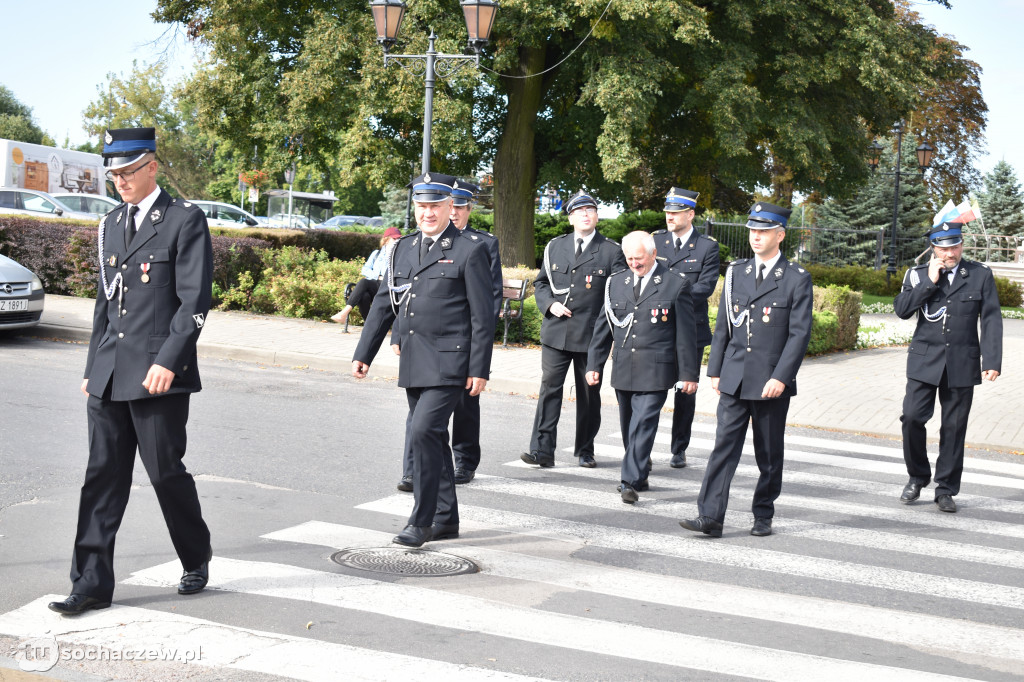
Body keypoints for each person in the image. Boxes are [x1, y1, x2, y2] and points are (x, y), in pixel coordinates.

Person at [49, 128, 214, 615]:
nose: (120, 179)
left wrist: (169, 360)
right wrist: (91, 367)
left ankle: (195, 555)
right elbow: (106, 303)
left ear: (152, 167)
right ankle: (90, 585)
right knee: (102, 477)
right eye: (114, 173)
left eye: (128, 170)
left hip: (157, 374)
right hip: (109, 373)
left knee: (164, 473)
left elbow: (194, 302)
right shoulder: (110, 225)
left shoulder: (185, 220)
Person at [352, 172, 495, 547]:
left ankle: (423, 520)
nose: (428, 212)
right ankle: (447, 518)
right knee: (431, 437)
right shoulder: (401, 248)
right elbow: (386, 300)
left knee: (423, 431)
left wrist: (480, 368)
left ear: (451, 207)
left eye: (435, 205)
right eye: (422, 205)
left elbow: (482, 315)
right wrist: (363, 352)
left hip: (452, 362)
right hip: (415, 360)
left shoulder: (470, 249)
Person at [679, 202, 812, 538]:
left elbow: (799, 335)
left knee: (768, 453)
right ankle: (710, 516)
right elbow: (724, 324)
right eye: (752, 230)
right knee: (723, 446)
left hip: (770, 381)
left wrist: (781, 377)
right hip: (735, 377)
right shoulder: (738, 272)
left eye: (764, 231)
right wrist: (715, 367)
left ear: (780, 235)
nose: (756, 236)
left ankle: (763, 512)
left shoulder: (796, 279)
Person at [397, 180, 502, 491]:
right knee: (422, 420)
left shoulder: (479, 244)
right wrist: (396, 335)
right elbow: (404, 295)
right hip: (425, 346)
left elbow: (488, 299)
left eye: (457, 207)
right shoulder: (415, 243)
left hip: (460, 343)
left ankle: (465, 460)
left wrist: (477, 357)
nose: (452, 212)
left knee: (465, 409)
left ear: (466, 209)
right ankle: (412, 470)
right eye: (449, 206)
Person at [894, 221, 1002, 513]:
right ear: (933, 248)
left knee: (954, 428)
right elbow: (903, 310)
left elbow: (991, 319)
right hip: (924, 361)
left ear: (961, 245)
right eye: (942, 247)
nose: (948, 253)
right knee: (912, 418)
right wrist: (930, 280)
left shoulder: (979, 274)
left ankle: (945, 489)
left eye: (953, 246)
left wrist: (991, 360)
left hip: (962, 363)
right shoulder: (917, 275)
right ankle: (917, 476)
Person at [586, 231, 699, 503]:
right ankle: (640, 472)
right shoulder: (616, 283)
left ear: (653, 254)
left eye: (639, 258)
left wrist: (688, 375)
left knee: (643, 424)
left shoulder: (675, 284)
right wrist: (594, 364)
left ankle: (628, 480)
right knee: (628, 427)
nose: (634, 264)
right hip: (624, 367)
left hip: (657, 370)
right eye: (629, 258)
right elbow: (604, 326)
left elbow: (686, 334)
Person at [522, 191, 627, 468]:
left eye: (590, 210)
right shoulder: (555, 246)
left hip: (592, 336)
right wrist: (549, 305)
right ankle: (542, 450)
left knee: (589, 394)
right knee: (549, 390)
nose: (585, 214)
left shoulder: (611, 251)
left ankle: (585, 449)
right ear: (570, 218)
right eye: (579, 211)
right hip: (557, 331)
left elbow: (617, 294)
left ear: (597, 216)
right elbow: (542, 283)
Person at [651, 187, 720, 469]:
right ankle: (643, 446)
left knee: (685, 391)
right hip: (658, 328)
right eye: (668, 211)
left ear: (690, 215)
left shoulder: (707, 247)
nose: (670, 216)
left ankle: (679, 448)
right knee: (652, 388)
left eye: (676, 212)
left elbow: (705, 286)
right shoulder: (655, 241)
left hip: (691, 328)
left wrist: (670, 295)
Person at [331, 226, 402, 326]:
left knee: (364, 282)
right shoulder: (376, 254)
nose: (397, 241)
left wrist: (383, 278)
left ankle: (345, 312)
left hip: (388, 288)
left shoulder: (400, 255)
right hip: (375, 284)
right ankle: (371, 325)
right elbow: (365, 269)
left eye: (399, 239)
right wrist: (377, 276)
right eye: (394, 239)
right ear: (386, 240)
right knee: (364, 296)